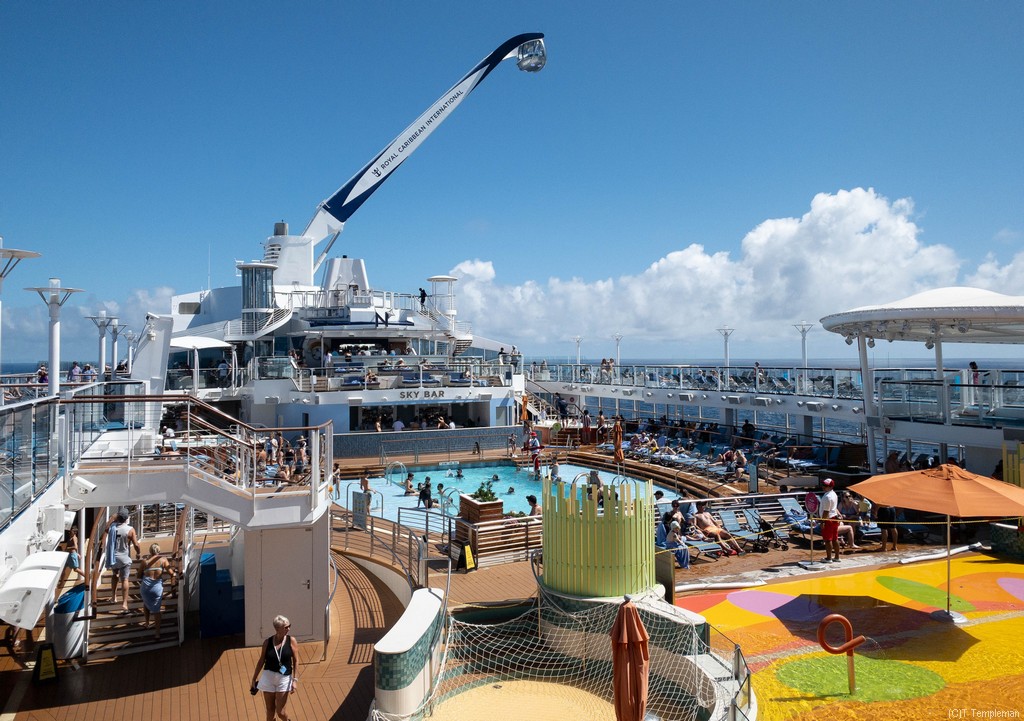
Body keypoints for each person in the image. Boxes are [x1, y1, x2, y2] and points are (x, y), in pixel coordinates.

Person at [251, 615, 300, 721]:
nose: (289, 629)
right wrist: (254, 678)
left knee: (281, 712)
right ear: (277, 629)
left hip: (284, 677)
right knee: (270, 712)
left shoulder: (291, 641)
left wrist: (295, 680)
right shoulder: (267, 642)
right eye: (286, 627)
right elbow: (261, 661)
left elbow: (296, 661)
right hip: (268, 676)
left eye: (289, 626)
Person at [104, 508, 141, 613]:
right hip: (124, 557)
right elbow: (136, 544)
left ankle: (113, 596)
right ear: (127, 518)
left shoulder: (112, 528)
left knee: (114, 575)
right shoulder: (130, 530)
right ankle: (124, 603)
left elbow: (106, 528)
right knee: (125, 580)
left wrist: (112, 518)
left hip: (113, 557)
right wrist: (138, 553)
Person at [140, 543, 176, 639]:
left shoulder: (145, 561)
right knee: (157, 610)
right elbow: (171, 573)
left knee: (146, 603)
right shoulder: (163, 560)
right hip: (156, 588)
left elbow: (139, 575)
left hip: (145, 587)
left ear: (150, 551)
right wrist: (174, 575)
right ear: (159, 551)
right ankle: (157, 633)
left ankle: (147, 623)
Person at [819, 478, 842, 563]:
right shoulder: (834, 494)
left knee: (828, 539)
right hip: (834, 517)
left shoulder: (827, 497)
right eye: (823, 485)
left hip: (828, 519)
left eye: (825, 486)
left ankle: (829, 558)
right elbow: (834, 507)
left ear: (830, 486)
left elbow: (826, 511)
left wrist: (822, 522)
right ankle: (836, 557)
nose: (823, 487)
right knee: (835, 538)